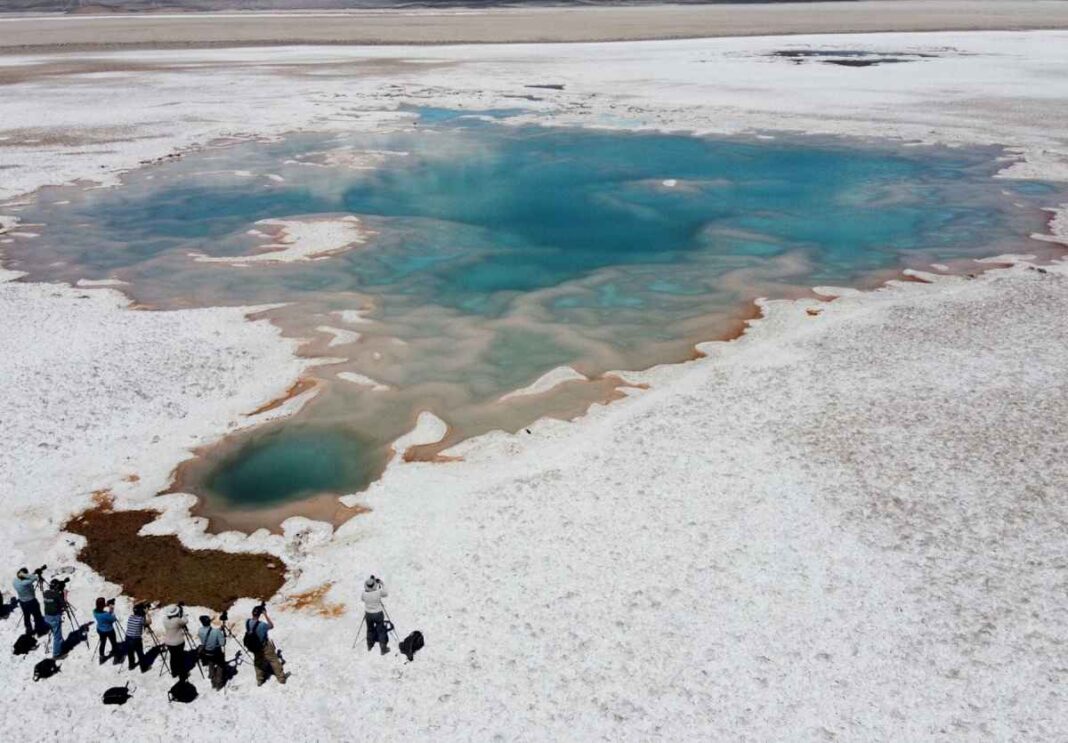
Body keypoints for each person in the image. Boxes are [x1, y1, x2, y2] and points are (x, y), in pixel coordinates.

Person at [245, 604, 287, 686]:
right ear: (259, 614)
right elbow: (271, 625)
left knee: (258, 663)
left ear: (252, 613)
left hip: (254, 647)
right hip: (264, 646)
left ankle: (260, 680)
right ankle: (281, 678)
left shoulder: (247, 622)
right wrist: (265, 614)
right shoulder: (262, 625)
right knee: (274, 660)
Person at [361, 575, 390, 655]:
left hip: (368, 614)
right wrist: (382, 583)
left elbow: (362, 599)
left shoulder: (364, 594)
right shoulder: (378, 592)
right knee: (381, 630)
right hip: (378, 614)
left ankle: (369, 645)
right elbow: (386, 594)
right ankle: (383, 648)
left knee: (370, 629)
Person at [13, 567, 45, 636]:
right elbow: (34, 578)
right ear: (24, 575)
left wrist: (23, 574)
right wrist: (27, 575)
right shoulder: (26, 583)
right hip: (31, 602)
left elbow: (28, 577)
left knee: (26, 616)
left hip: (22, 602)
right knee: (37, 616)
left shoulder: (15, 581)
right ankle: (40, 631)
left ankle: (28, 630)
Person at [197, 614, 227, 690]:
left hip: (207, 652)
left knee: (211, 663)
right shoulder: (216, 632)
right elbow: (222, 643)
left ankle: (212, 681)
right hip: (216, 653)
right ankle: (219, 683)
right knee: (220, 665)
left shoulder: (200, 631)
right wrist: (222, 635)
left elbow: (210, 633)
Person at [162, 604, 189, 679]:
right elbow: (185, 621)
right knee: (180, 658)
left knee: (173, 657)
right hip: (178, 642)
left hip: (169, 642)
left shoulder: (165, 619)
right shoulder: (177, 620)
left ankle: (174, 672)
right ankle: (182, 674)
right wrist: (182, 613)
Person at [42, 578, 67, 658]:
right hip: (54, 617)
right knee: (57, 636)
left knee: (54, 631)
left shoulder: (45, 593)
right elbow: (63, 605)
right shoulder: (57, 595)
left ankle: (58, 645)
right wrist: (64, 594)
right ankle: (56, 654)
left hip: (47, 616)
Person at [92, 597, 119, 664]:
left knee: (102, 643)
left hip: (100, 630)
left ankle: (101, 657)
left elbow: (100, 609)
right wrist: (111, 609)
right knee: (114, 643)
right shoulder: (106, 614)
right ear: (102, 605)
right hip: (109, 630)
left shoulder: (95, 612)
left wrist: (106, 605)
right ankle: (116, 658)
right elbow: (113, 619)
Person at [124, 603, 149, 671]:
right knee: (140, 653)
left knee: (130, 653)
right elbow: (149, 622)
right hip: (136, 639)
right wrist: (147, 613)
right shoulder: (141, 619)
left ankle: (131, 666)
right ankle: (143, 667)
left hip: (128, 638)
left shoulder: (130, 617)